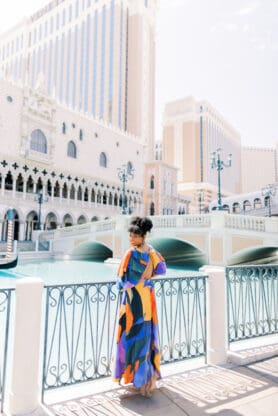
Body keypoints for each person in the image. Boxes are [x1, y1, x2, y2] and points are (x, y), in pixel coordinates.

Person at [113, 216, 166, 397]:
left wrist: (134, 281)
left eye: (134, 235)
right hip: (147, 300)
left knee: (133, 339)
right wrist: (147, 281)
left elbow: (123, 283)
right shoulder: (152, 252)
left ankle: (137, 382)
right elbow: (162, 269)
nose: (131, 238)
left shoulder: (131, 254)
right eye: (130, 235)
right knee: (145, 339)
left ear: (142, 236)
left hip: (133, 303)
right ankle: (146, 382)